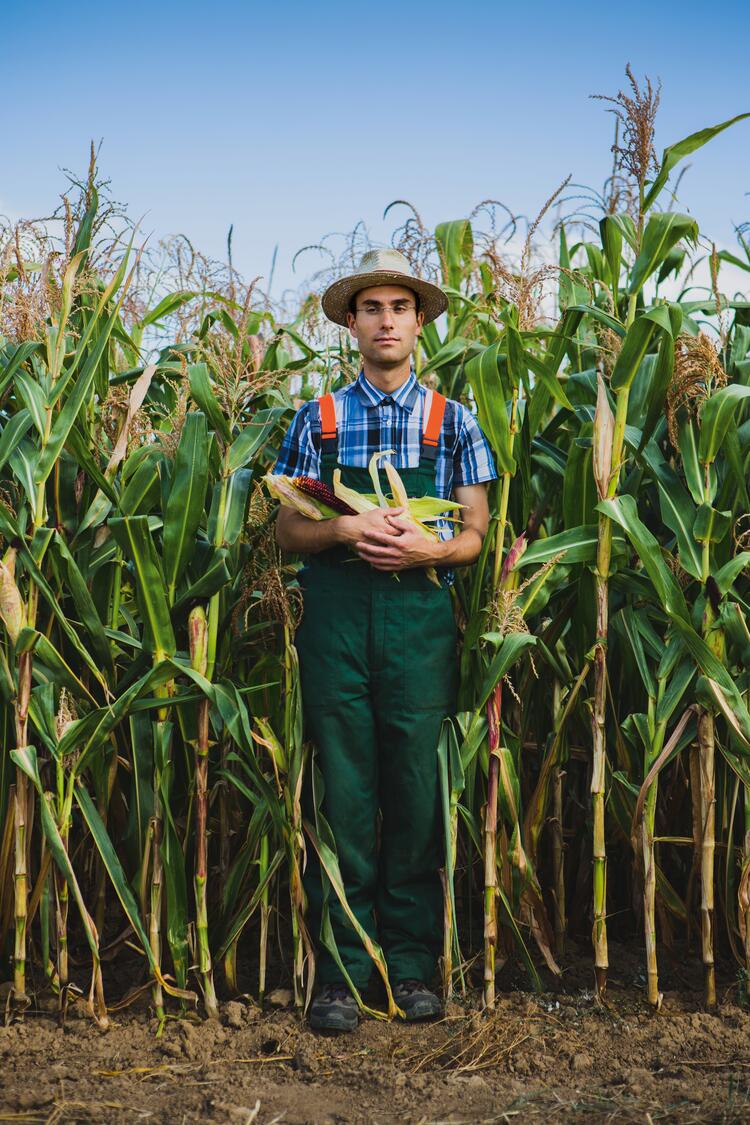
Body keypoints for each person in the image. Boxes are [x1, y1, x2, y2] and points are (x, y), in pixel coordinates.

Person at [272, 248, 497, 1032]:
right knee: (343, 791)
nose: (387, 320)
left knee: (414, 794)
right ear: (351, 323)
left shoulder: (453, 420)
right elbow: (284, 527)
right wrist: (343, 525)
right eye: (371, 307)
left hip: (419, 620)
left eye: (400, 307)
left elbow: (474, 533)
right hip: (335, 617)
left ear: (419, 319)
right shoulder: (319, 418)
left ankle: (411, 968)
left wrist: (425, 550)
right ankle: (339, 974)